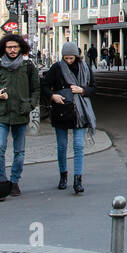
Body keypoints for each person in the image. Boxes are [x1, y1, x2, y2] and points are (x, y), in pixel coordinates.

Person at [0, 33, 40, 197]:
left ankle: (14, 181)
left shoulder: (28, 66)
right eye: (9, 47)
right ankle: (1, 181)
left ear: (21, 48)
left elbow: (36, 89)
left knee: (19, 151)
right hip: (1, 114)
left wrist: (30, 105)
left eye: (15, 47)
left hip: (21, 113)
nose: (13, 50)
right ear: (4, 49)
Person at [42, 42, 95, 193]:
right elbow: (44, 85)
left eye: (71, 58)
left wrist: (82, 90)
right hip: (61, 110)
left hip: (80, 111)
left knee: (78, 145)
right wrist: (53, 96)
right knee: (62, 145)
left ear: (77, 56)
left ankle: (78, 180)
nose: (68, 61)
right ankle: (63, 176)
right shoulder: (56, 68)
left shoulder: (85, 68)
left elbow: (93, 87)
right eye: (66, 58)